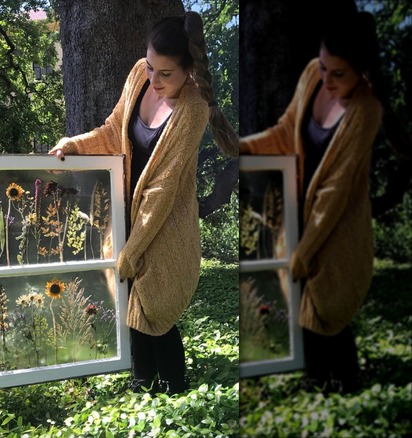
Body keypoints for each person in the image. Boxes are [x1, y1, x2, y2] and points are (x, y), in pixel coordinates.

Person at [50, 11, 238, 394]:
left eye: (166, 73)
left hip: (164, 220)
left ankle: (173, 387)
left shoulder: (194, 107)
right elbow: (111, 129)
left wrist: (133, 248)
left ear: (188, 71)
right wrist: (75, 144)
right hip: (123, 209)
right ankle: (141, 381)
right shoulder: (139, 74)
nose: (154, 79)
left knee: (155, 303)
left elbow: (162, 188)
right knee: (127, 296)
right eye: (151, 67)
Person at [239, 11, 395, 393]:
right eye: (324, 67)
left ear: (361, 71)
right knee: (298, 296)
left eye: (338, 74)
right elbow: (284, 132)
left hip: (338, 223)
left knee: (329, 298)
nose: (326, 79)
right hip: (295, 211)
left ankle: (344, 382)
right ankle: (314, 379)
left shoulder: (366, 111)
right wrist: (241, 149)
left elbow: (335, 191)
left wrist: (306, 249)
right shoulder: (312, 75)